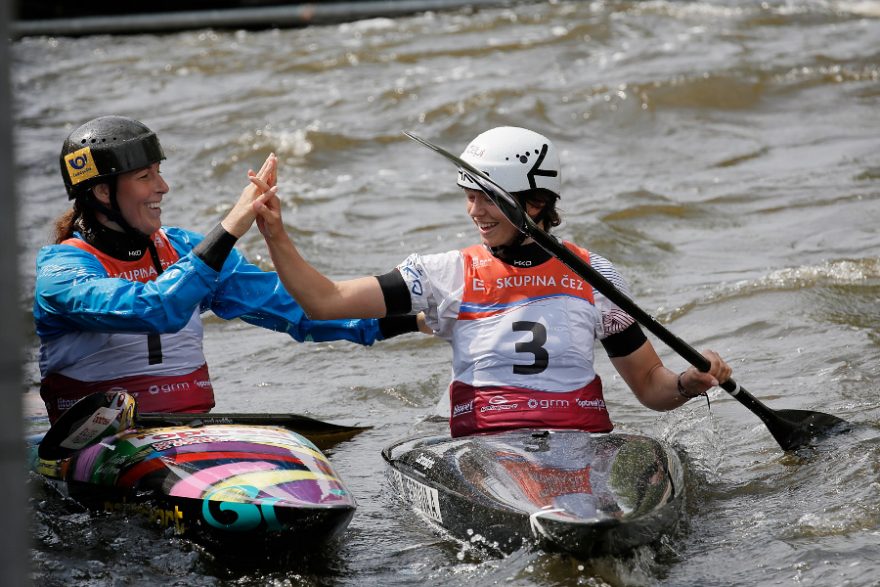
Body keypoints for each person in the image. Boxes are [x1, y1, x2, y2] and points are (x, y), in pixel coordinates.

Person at [250, 126, 732, 437]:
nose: (473, 211)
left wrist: (690, 381)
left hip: (582, 441)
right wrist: (276, 233)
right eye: (468, 196)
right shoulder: (444, 274)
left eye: (486, 198)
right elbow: (324, 301)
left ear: (536, 203)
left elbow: (650, 386)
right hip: (488, 449)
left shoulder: (596, 276)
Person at [35, 115, 419, 423]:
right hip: (95, 444)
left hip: (192, 430)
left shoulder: (181, 248)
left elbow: (299, 313)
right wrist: (232, 225)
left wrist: (410, 320)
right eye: (145, 177)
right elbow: (153, 310)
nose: (163, 187)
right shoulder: (61, 272)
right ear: (103, 193)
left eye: (159, 172)